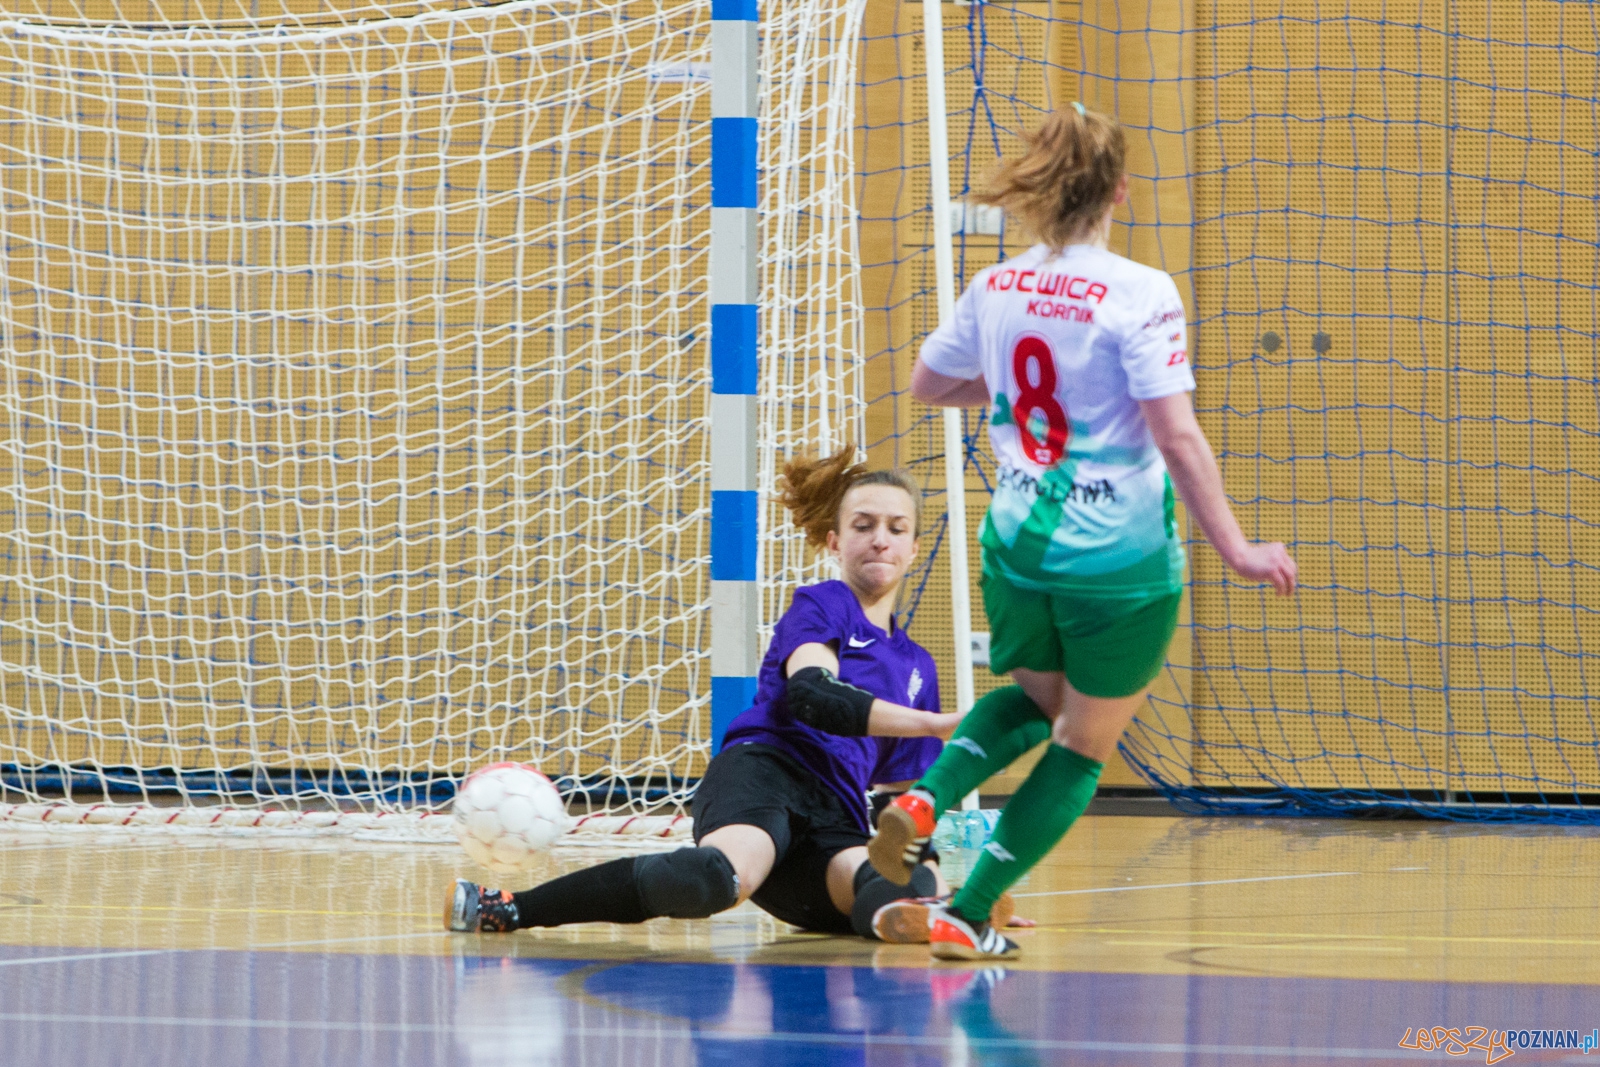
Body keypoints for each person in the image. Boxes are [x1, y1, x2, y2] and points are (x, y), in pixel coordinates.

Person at [868, 102, 1297, 960]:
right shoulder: (1141, 292)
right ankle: (968, 911)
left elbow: (928, 384)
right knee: (1083, 745)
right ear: (1119, 191)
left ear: (1037, 188)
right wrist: (1240, 549)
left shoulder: (995, 285)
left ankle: (923, 800)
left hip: (1017, 546)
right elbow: (1176, 435)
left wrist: (1013, 401)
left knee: (1039, 702)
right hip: (1116, 560)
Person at [444, 448, 1032, 941]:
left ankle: (938, 914)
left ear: (913, 547)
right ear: (835, 541)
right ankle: (507, 907)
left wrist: (933, 883)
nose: (880, 540)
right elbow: (813, 696)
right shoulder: (824, 604)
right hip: (766, 772)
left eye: (896, 529)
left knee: (891, 884)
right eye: (863, 526)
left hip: (837, 817)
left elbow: (898, 810)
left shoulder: (917, 666)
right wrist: (936, 724)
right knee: (709, 879)